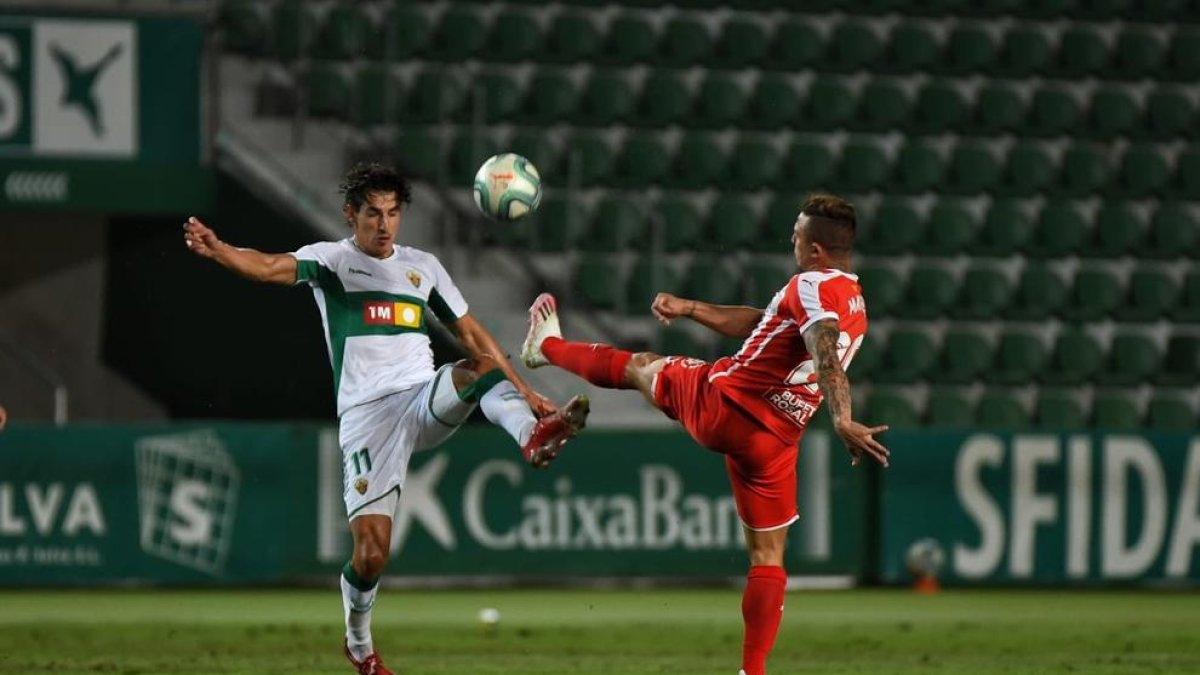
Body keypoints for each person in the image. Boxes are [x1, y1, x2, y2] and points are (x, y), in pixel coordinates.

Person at [183, 162, 589, 675]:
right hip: (368, 419)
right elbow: (267, 266)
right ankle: (358, 644)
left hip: (421, 399)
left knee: (477, 366)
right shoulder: (331, 261)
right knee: (372, 554)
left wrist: (528, 393)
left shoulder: (424, 267)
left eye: (393, 214)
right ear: (351, 214)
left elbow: (474, 336)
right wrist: (220, 250)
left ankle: (532, 436)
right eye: (373, 213)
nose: (383, 225)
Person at [520, 194, 888, 675]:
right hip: (776, 440)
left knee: (642, 366)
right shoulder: (852, 298)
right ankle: (751, 672)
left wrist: (843, 416)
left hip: (727, 405)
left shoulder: (811, 284)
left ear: (816, 249)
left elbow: (823, 352)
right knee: (768, 557)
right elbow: (764, 326)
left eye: (796, 235)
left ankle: (544, 347)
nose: (790, 241)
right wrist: (692, 308)